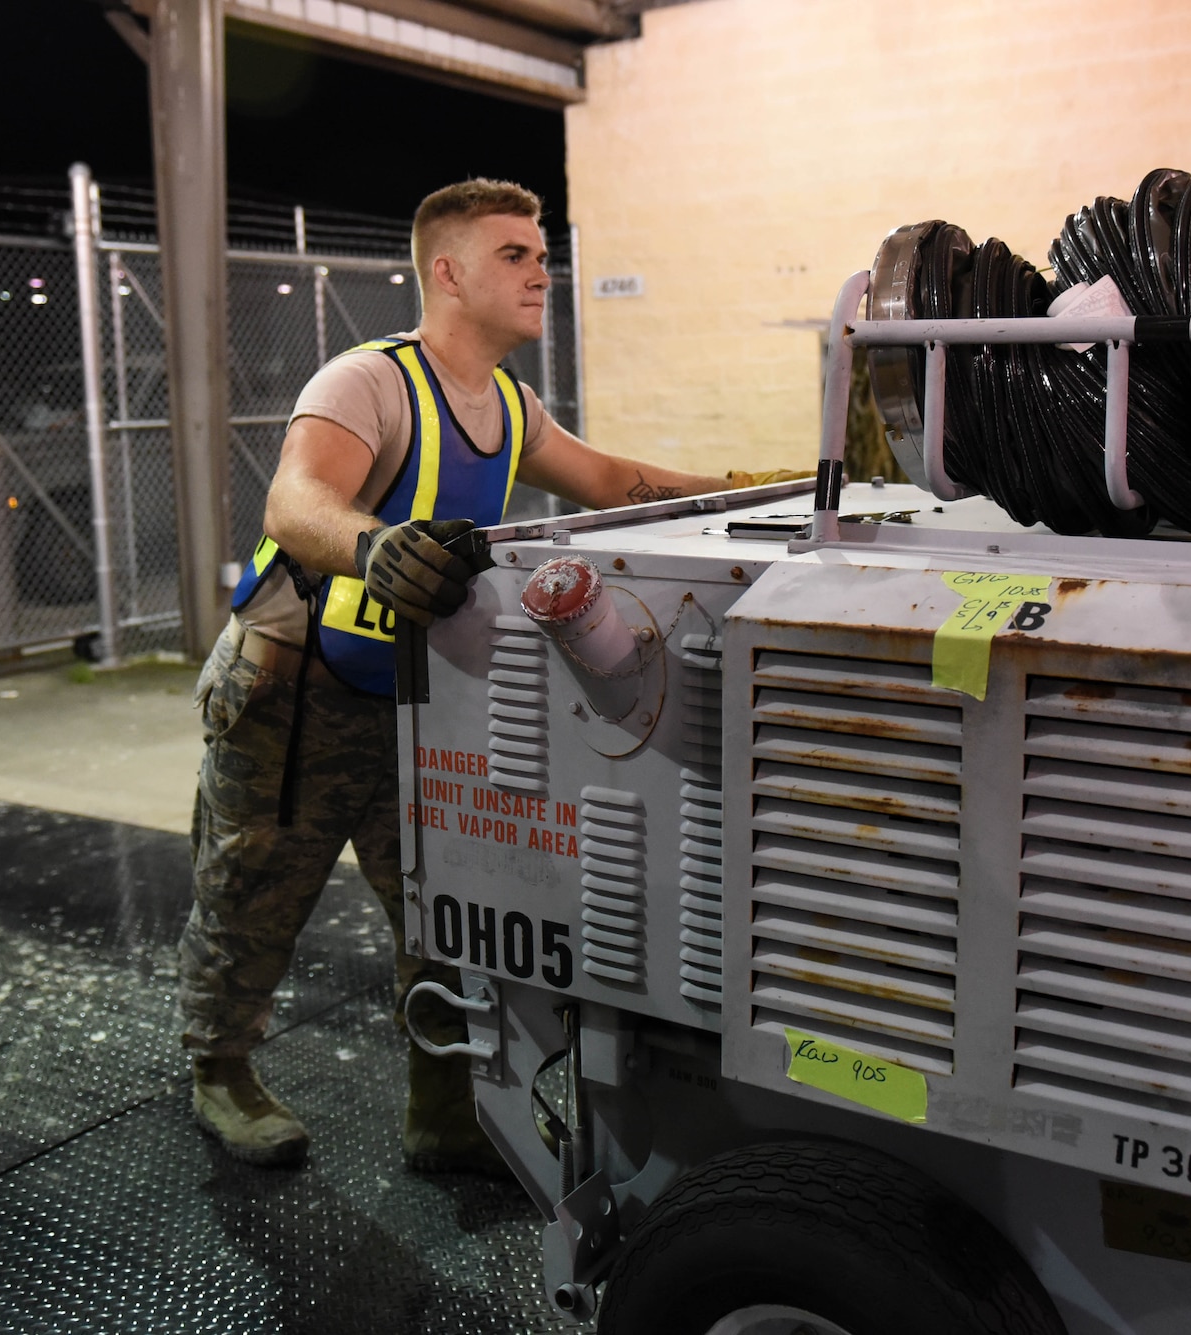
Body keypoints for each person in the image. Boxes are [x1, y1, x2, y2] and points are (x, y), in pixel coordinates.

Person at [176, 179, 781, 1170]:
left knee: (442, 909)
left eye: (540, 254)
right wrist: (371, 546)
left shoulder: (505, 401)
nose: (540, 270)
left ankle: (446, 1112)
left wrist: (764, 486)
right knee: (251, 895)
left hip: (409, 703)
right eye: (514, 254)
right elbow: (295, 504)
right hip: (292, 697)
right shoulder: (365, 382)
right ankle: (219, 1072)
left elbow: (613, 484)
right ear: (447, 273)